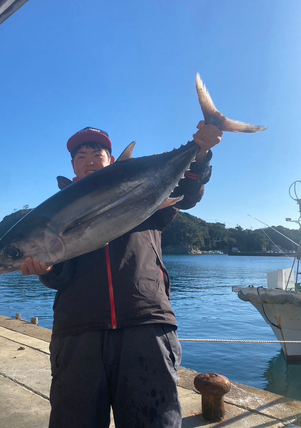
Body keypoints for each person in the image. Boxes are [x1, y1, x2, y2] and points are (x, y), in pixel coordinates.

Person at [21, 122, 222, 428]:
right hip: (78, 331)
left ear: (112, 160)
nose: (89, 159)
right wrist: (45, 270)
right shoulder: (54, 216)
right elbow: (58, 278)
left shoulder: (146, 188)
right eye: (80, 156)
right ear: (73, 167)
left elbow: (189, 191)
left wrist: (202, 150)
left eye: (97, 152)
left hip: (146, 323)